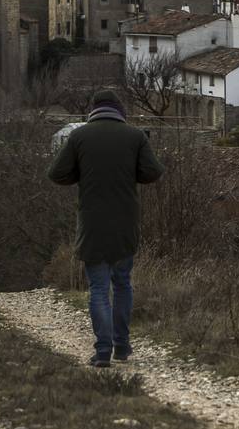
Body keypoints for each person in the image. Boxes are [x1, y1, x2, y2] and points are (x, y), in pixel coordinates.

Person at [48, 89, 164, 368]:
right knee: (122, 283)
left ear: (93, 110)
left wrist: (82, 175)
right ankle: (122, 347)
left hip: (92, 222)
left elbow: (56, 173)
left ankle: (102, 351)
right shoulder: (135, 136)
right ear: (120, 110)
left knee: (98, 288)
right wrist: (129, 174)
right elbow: (153, 172)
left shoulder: (79, 137)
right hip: (125, 221)